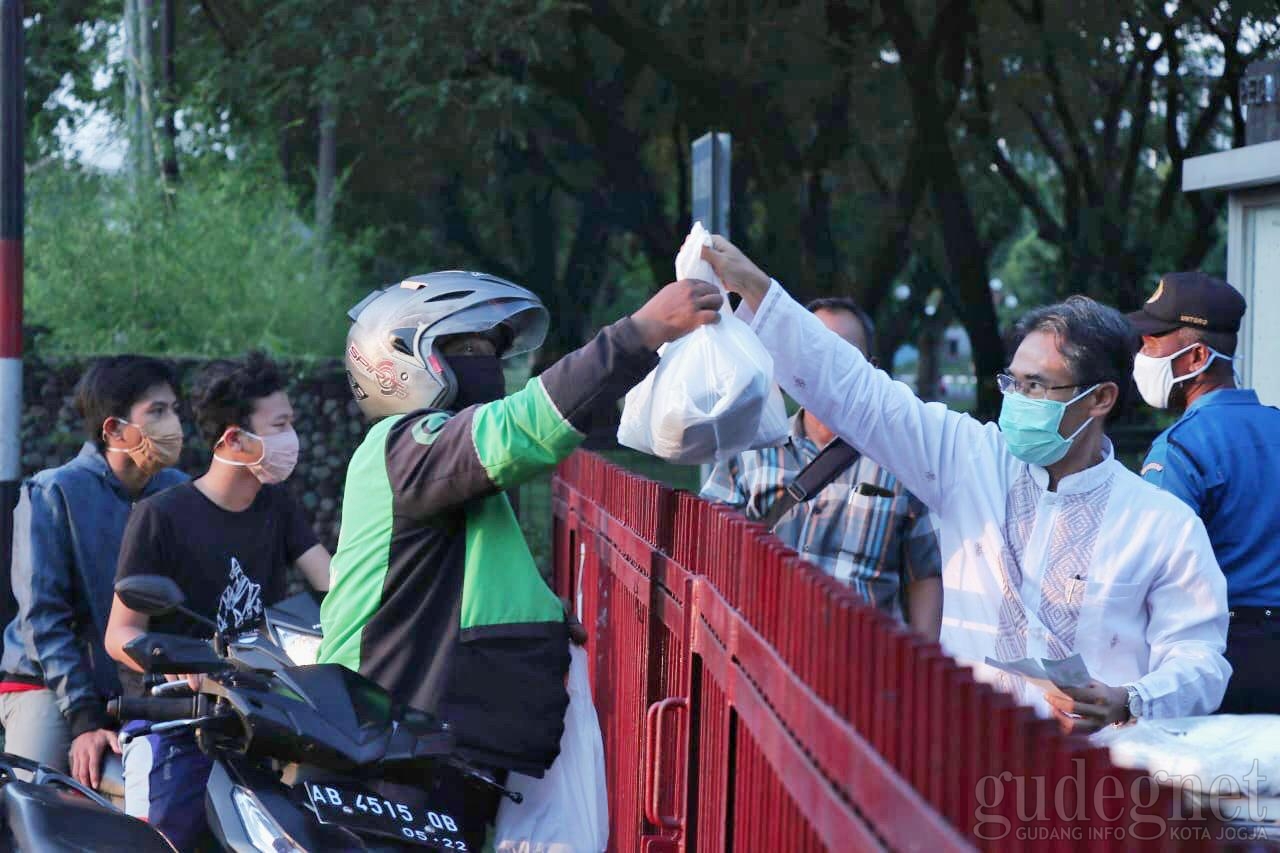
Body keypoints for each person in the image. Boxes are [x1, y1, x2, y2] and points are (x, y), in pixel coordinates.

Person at [700, 236, 1230, 734]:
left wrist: (1129, 698)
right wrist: (756, 289)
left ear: (1100, 399)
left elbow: (1201, 660)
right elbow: (856, 391)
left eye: (1036, 386)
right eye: (1012, 381)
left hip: (1089, 785)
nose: (1016, 399)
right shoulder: (968, 459)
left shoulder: (1161, 525)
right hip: (962, 760)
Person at [318, 271, 721, 838]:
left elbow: (466, 577)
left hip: (424, 743)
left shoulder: (433, 463)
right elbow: (523, 429)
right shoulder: (407, 445)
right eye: (466, 349)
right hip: (385, 743)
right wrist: (640, 332)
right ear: (402, 360)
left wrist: (544, 623)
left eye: (491, 352)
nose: (485, 365)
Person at [105, 351, 330, 850]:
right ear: (234, 439)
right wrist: (175, 665)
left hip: (261, 723)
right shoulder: (162, 516)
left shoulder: (278, 506)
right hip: (178, 724)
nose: (292, 437)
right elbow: (120, 634)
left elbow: (332, 587)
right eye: (282, 424)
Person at [701, 297, 943, 640]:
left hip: (864, 669)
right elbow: (709, 548)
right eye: (815, 351)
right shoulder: (749, 451)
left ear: (870, 369)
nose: (828, 367)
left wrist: (923, 667)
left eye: (843, 355)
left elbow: (925, 572)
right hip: (762, 659)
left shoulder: (902, 462)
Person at [0, 356, 187, 787]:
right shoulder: (53, 491)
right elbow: (44, 620)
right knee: (33, 800)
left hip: (140, 691)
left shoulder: (178, 491)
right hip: (47, 685)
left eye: (174, 410)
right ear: (114, 430)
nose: (173, 423)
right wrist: (84, 718)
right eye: (156, 412)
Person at [1129, 271, 1280, 714]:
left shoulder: (1180, 450)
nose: (1142, 353)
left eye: (1153, 341)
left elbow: (1151, 571)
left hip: (1222, 659)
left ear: (1195, 357)